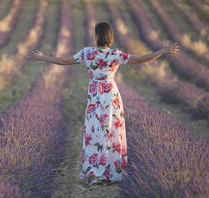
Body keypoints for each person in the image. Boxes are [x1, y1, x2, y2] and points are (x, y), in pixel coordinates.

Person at [28, 22, 179, 186]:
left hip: (95, 96)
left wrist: (43, 57)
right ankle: (111, 173)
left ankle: (94, 173)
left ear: (97, 36)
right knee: (112, 132)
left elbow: (64, 61)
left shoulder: (88, 53)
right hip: (110, 96)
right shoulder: (115, 54)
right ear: (110, 36)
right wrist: (161, 52)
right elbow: (141, 59)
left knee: (94, 133)